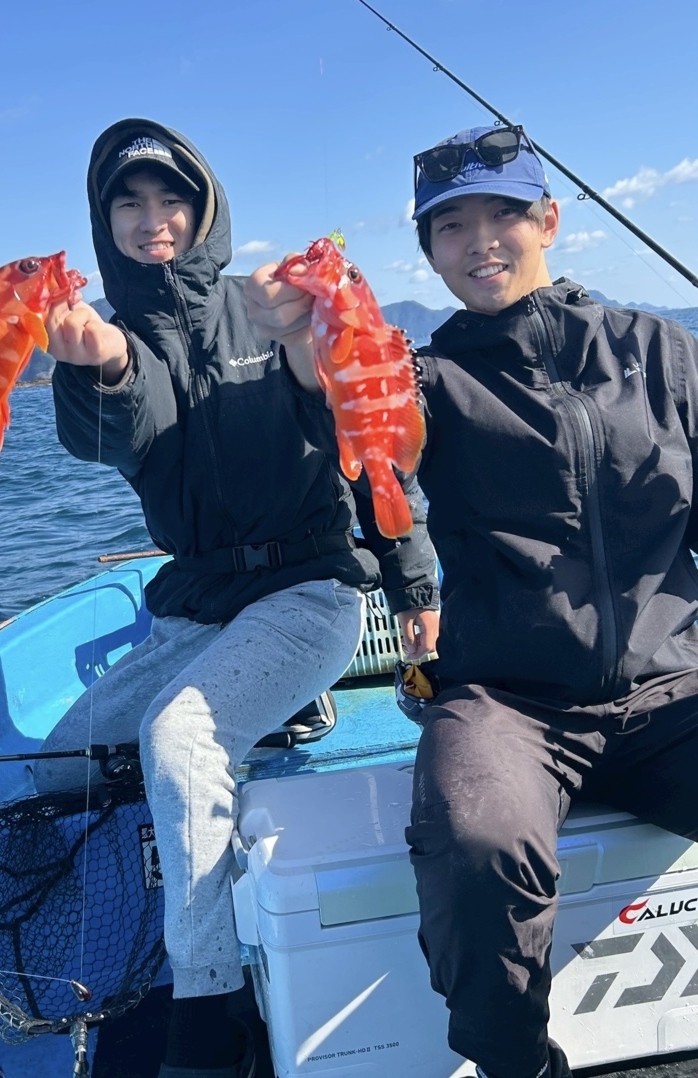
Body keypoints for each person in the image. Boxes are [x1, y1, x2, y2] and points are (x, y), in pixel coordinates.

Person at [245, 124, 698, 1078]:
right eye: (452, 226)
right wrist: (300, 344)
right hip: (511, 701)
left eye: (504, 213)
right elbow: (353, 435)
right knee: (475, 842)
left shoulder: (660, 351)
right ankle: (517, 1062)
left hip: (676, 688)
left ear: (550, 219)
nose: (481, 240)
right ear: (429, 252)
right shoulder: (428, 378)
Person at [36, 118, 440, 1078]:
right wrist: (104, 368)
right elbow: (110, 440)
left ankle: (209, 1007)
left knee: (178, 738)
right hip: (195, 604)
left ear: (203, 205)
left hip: (307, 588)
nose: (151, 220)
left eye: (169, 197)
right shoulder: (102, 332)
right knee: (58, 765)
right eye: (127, 203)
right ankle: (269, 722)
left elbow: (363, 436)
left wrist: (412, 575)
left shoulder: (261, 307)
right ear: (105, 223)